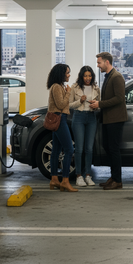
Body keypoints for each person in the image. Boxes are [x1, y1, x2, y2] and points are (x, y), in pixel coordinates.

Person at [89, 52, 127, 190]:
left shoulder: (116, 77)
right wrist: (98, 102)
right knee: (107, 146)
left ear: (107, 62)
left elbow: (119, 98)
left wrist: (99, 104)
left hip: (115, 119)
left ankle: (117, 180)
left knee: (114, 149)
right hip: (108, 118)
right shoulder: (109, 76)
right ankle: (114, 177)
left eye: (99, 62)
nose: (98, 65)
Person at [46, 63, 78, 192]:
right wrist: (68, 93)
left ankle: (54, 179)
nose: (69, 75)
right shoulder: (57, 87)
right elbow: (61, 104)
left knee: (56, 151)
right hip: (59, 119)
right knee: (69, 149)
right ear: (61, 74)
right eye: (67, 72)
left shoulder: (58, 86)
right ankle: (65, 180)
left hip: (57, 119)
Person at [69, 65, 101, 187]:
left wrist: (96, 105)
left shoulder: (96, 88)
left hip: (92, 117)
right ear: (82, 76)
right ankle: (78, 176)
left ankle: (88, 175)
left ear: (92, 76)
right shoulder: (75, 87)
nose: (88, 78)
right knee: (79, 148)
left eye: (90, 76)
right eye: (85, 76)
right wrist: (80, 101)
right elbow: (69, 105)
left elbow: (100, 104)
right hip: (79, 117)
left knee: (89, 148)